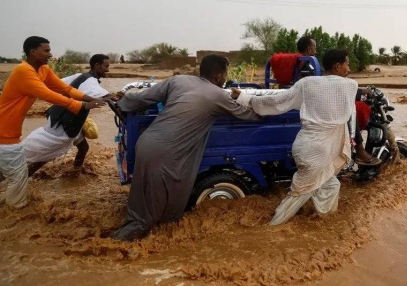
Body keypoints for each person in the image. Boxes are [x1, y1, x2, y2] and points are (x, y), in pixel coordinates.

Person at [112, 54, 260, 241]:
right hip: (166, 152)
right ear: (218, 77)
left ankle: (133, 231)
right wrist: (270, 108)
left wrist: (122, 100)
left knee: (142, 196)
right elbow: (249, 115)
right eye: (225, 75)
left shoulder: (178, 80)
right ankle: (119, 243)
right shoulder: (218, 95)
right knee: (157, 206)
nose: (225, 79)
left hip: (146, 142)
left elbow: (143, 98)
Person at [232, 49, 358, 225]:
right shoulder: (350, 85)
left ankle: (324, 219)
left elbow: (278, 101)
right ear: (337, 66)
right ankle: (273, 226)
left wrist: (246, 98)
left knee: (331, 185)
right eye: (347, 64)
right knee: (299, 193)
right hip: (318, 152)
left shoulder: (307, 84)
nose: (349, 68)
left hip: (305, 146)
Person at [0, 36, 104, 209]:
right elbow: (48, 95)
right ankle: (16, 210)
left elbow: (66, 89)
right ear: (33, 52)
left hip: (10, 133)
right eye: (46, 50)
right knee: (17, 174)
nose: (50, 54)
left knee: (12, 171)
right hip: (4, 132)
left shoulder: (43, 70)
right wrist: (82, 105)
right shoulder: (24, 71)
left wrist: (90, 98)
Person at [23, 54, 120, 175]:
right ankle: (21, 177)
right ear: (97, 65)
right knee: (46, 156)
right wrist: (121, 106)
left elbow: (59, 84)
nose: (107, 69)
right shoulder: (90, 81)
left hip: (59, 116)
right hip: (64, 123)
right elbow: (108, 98)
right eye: (106, 66)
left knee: (83, 147)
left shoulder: (81, 76)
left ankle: (75, 172)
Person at [296, 37, 378, 166]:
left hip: (312, 100)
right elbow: (330, 87)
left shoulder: (299, 63)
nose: (316, 51)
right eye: (315, 48)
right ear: (309, 49)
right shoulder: (310, 65)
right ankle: (359, 150)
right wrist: (363, 91)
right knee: (351, 111)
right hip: (320, 102)